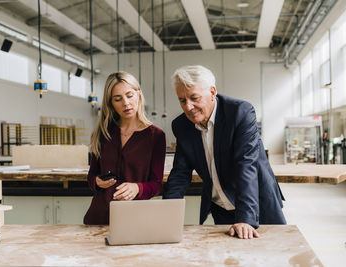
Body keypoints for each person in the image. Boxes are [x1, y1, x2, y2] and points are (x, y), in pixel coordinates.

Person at [163, 65, 286, 239]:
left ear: (212, 92)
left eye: (194, 98)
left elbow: (246, 166)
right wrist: (166, 215)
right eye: (182, 100)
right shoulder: (181, 125)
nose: (188, 106)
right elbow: (180, 173)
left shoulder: (240, 113)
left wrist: (246, 219)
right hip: (220, 207)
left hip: (256, 205)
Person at [84, 71, 166, 225]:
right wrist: (97, 181)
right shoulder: (103, 133)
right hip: (99, 218)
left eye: (129, 95)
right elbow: (91, 176)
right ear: (111, 103)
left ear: (138, 94)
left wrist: (137, 188)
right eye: (118, 99)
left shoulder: (156, 136)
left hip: (136, 220)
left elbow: (156, 185)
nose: (126, 103)